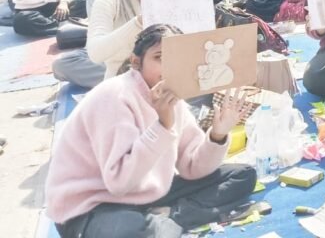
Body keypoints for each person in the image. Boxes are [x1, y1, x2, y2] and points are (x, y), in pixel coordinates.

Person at [46, 24, 257, 238]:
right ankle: (161, 223)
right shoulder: (114, 96)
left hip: (144, 195)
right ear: (136, 62)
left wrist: (217, 135)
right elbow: (120, 183)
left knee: (242, 175)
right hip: (92, 207)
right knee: (125, 229)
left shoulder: (173, 99)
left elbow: (191, 167)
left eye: (178, 59)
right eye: (160, 58)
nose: (170, 68)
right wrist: (162, 126)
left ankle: (172, 217)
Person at [51, 0, 126, 89]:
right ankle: (126, 76)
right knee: (60, 65)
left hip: (136, 51)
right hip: (107, 50)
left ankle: (121, 77)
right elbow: (97, 35)